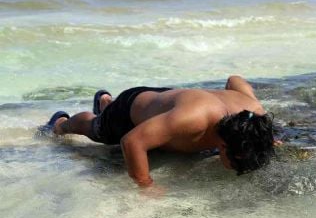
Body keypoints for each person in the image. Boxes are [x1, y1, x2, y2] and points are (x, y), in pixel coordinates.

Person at [39, 75, 276, 186]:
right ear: (223, 145)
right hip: (129, 111)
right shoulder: (193, 121)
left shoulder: (254, 115)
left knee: (161, 124)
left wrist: (264, 141)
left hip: (167, 101)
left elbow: (235, 80)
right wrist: (145, 185)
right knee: (97, 130)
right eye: (239, 164)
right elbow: (132, 142)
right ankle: (60, 124)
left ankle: (104, 102)